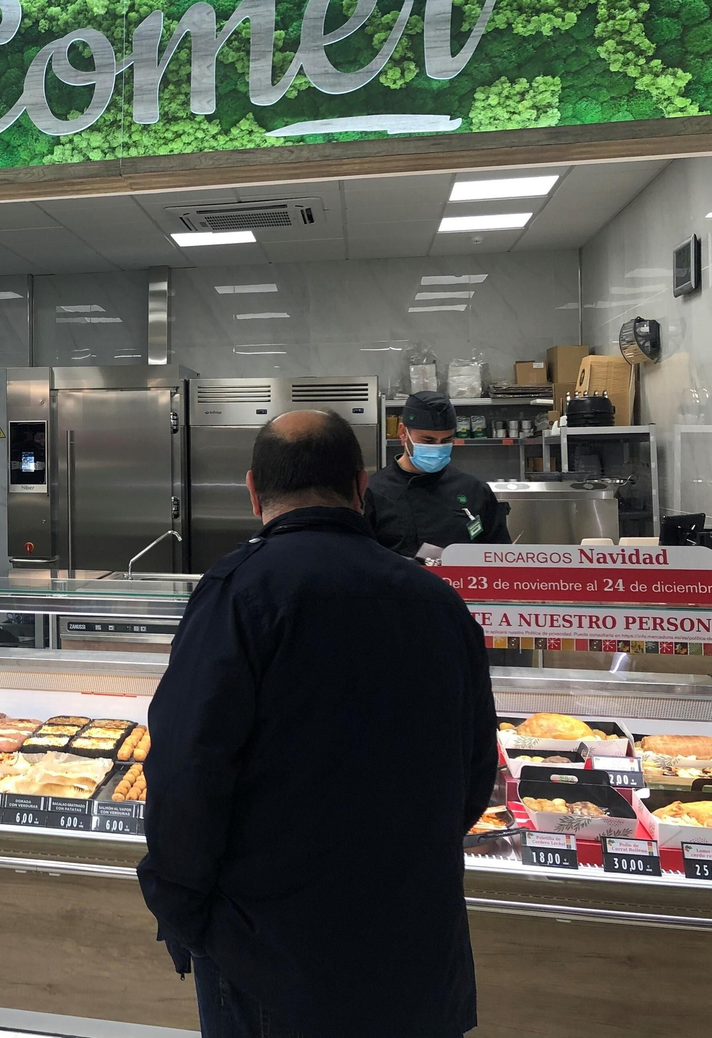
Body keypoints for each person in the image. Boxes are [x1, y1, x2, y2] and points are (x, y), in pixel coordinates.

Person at [138, 409, 497, 1038]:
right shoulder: (438, 601)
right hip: (416, 943)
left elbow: (186, 770)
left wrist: (182, 910)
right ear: (360, 487)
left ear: (254, 491)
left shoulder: (238, 591)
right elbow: (474, 772)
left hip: (273, 954)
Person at [363, 390, 510, 558]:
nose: (437, 448)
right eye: (428, 440)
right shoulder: (373, 493)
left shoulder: (475, 490)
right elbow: (362, 559)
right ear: (403, 433)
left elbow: (499, 557)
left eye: (446, 441)